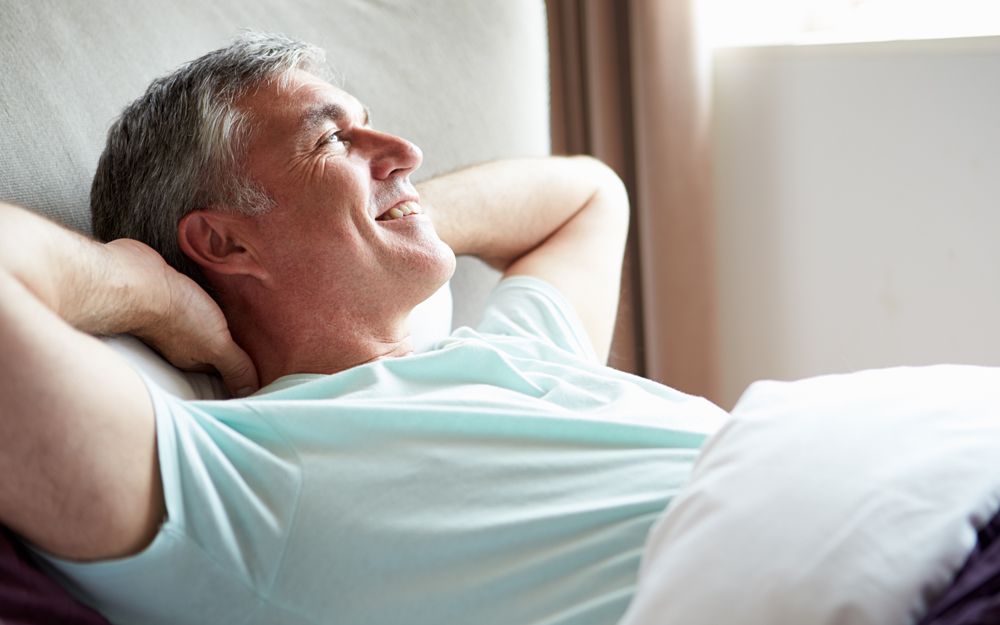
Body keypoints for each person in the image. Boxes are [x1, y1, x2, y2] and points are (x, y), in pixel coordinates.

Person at [0, 32, 727, 625]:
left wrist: (397, 218)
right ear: (224, 244)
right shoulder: (236, 483)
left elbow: (588, 194)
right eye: (333, 140)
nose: (405, 151)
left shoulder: (514, 354)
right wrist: (153, 293)